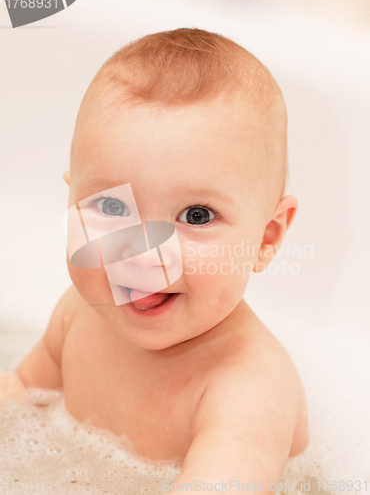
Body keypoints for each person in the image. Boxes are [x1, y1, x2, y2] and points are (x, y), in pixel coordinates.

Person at [0, 28, 309, 493]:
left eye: (196, 215)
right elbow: (21, 394)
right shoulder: (79, 313)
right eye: (110, 207)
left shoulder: (246, 390)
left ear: (266, 238)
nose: (142, 255)